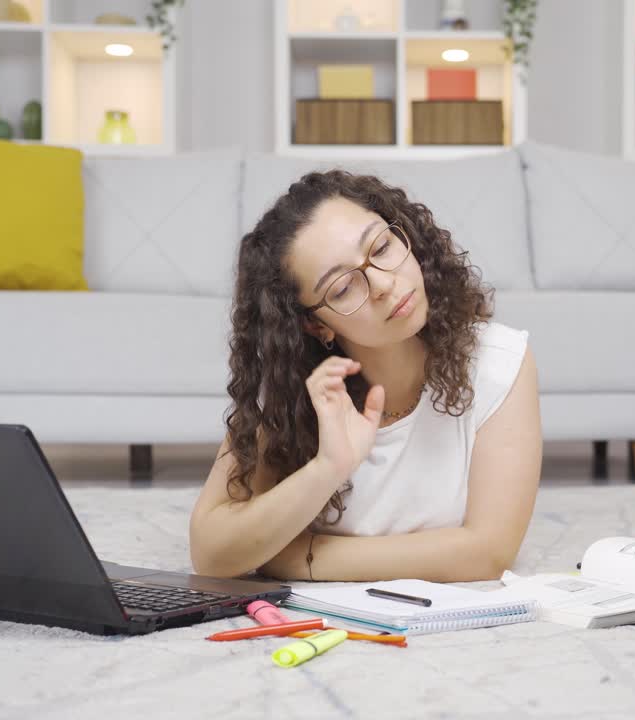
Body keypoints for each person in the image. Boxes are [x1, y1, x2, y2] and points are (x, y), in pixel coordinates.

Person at [189, 169, 542, 582]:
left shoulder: (497, 362)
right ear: (314, 325)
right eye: (341, 288)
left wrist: (295, 557)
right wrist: (327, 468)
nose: (382, 284)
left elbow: (487, 554)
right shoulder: (300, 391)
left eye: (382, 246)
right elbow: (211, 553)